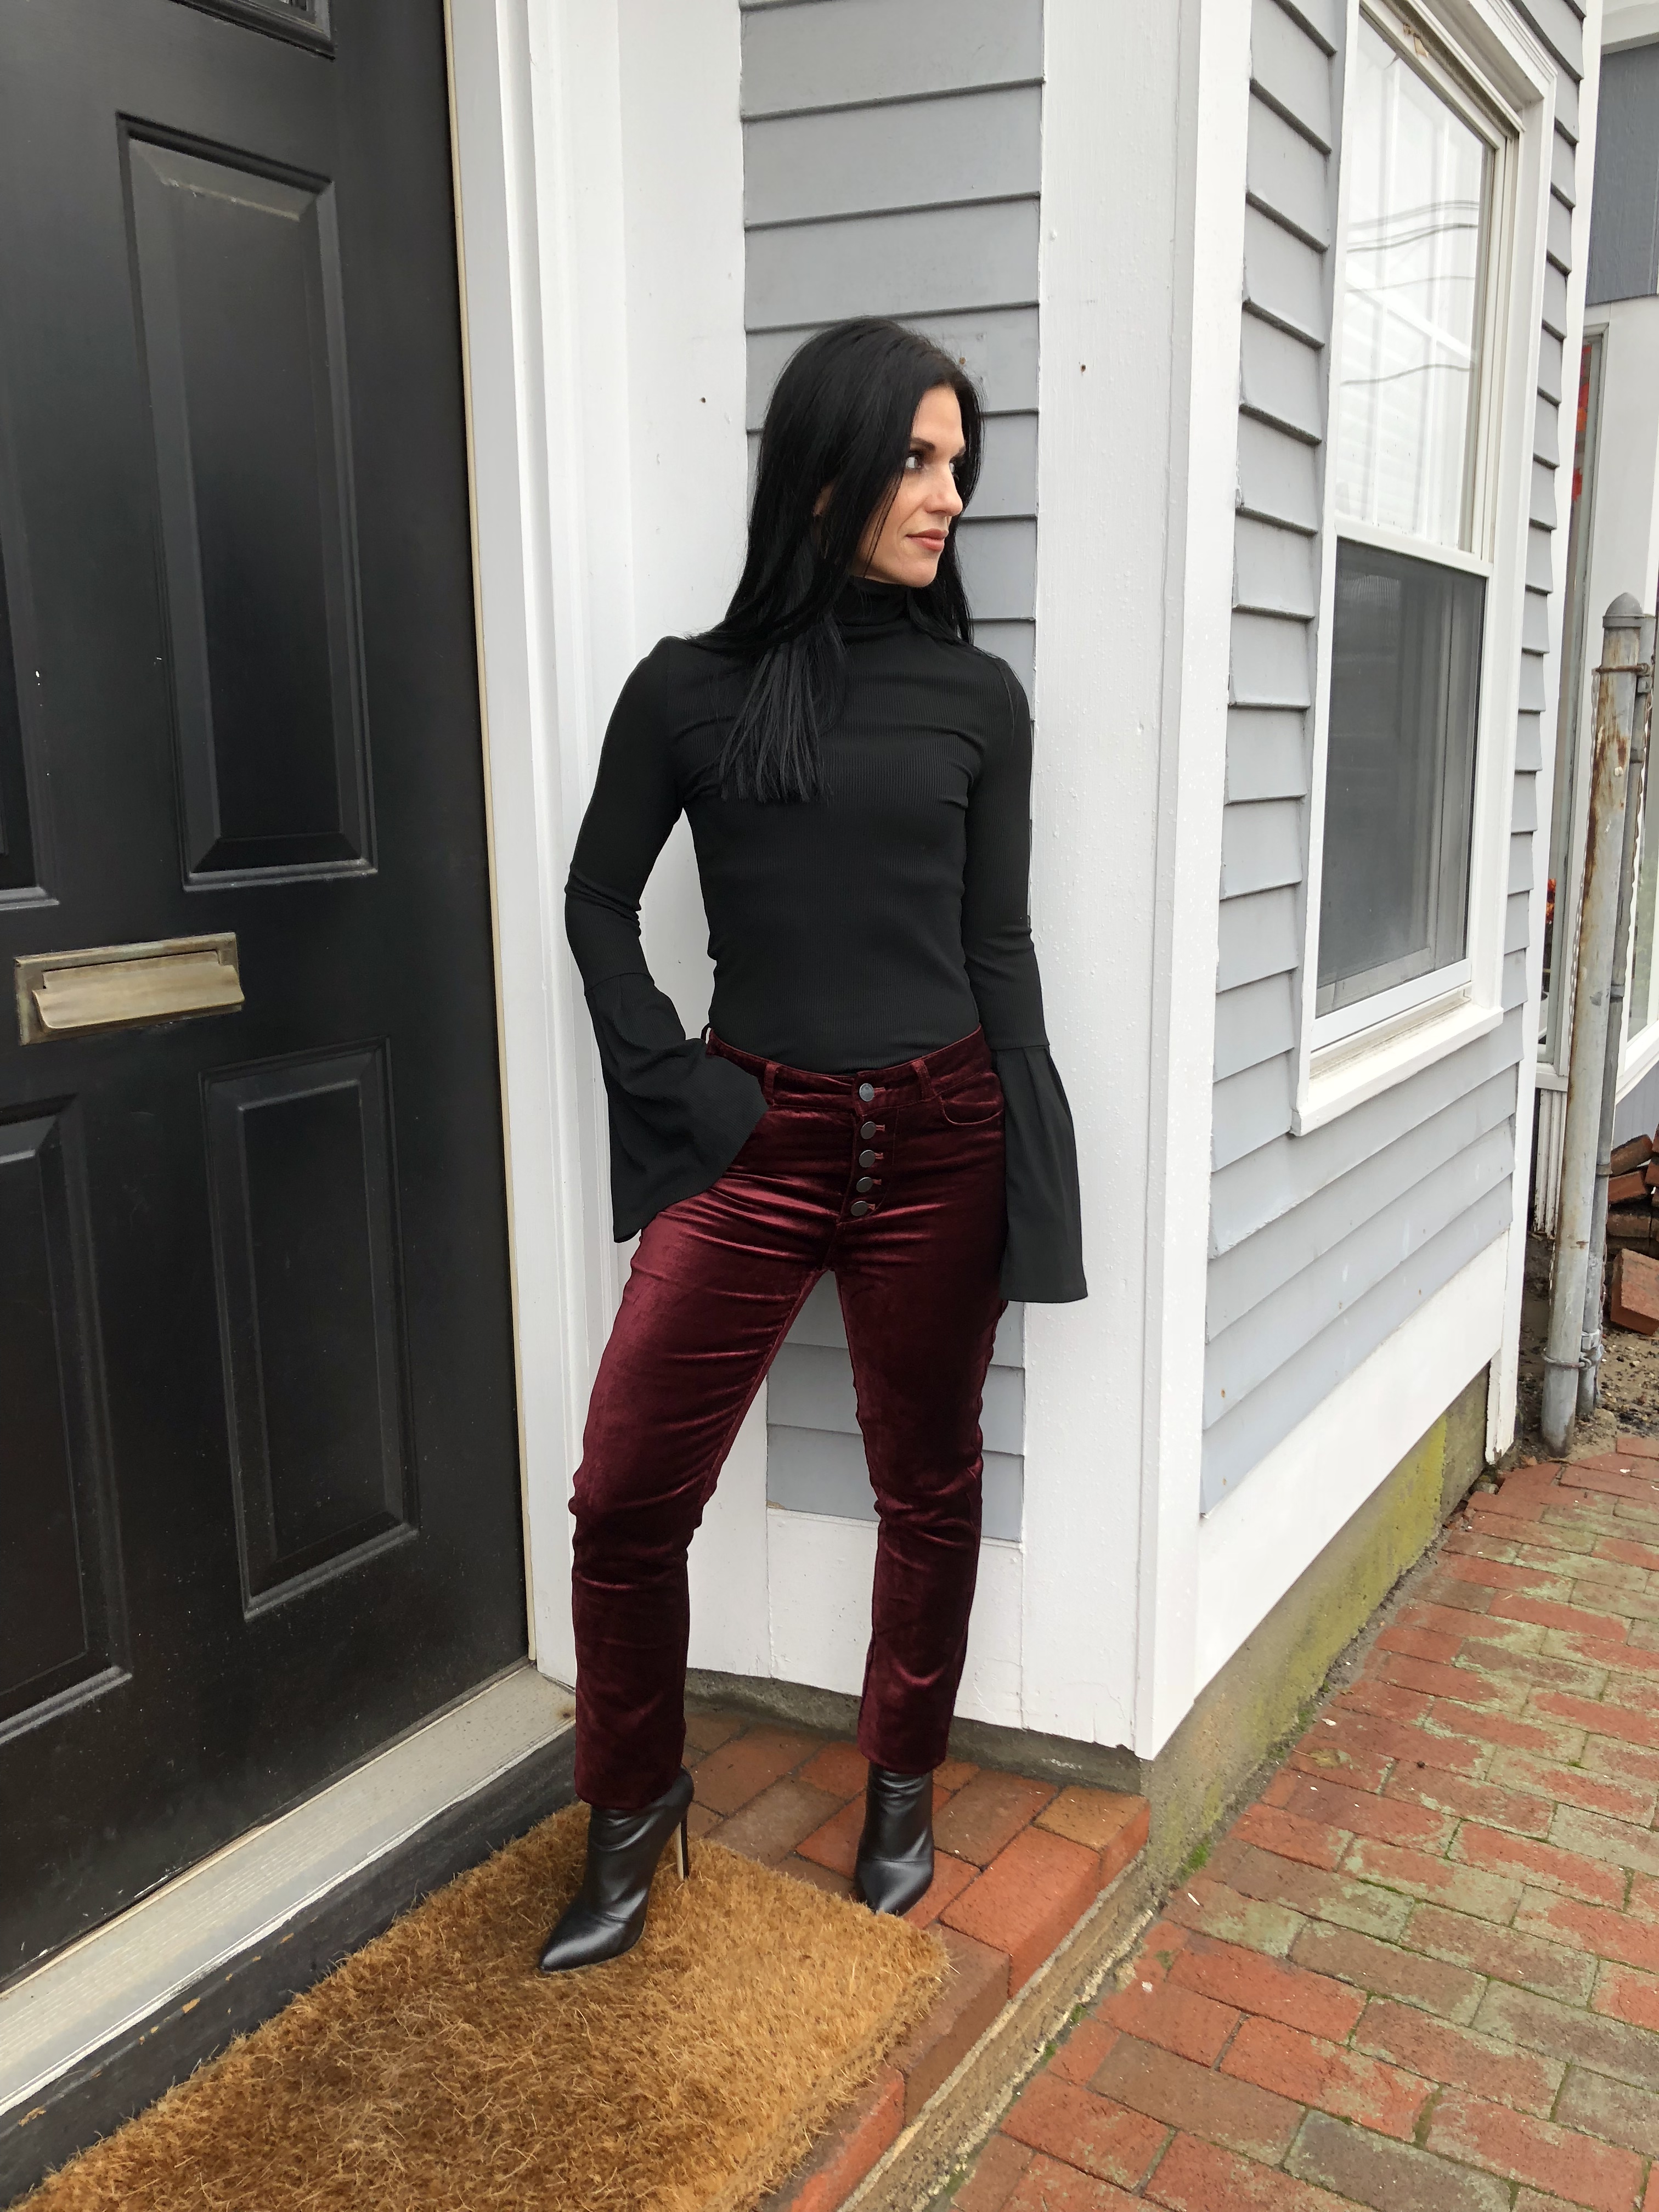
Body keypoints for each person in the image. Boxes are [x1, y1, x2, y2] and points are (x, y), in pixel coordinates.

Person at [538, 317, 1086, 1974]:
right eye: (918, 459)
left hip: (942, 1137)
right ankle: (632, 1807)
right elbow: (598, 901)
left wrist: (1032, 1170)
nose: (950, 495)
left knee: (928, 1484)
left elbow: (998, 949)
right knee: (626, 1494)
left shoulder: (980, 701)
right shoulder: (687, 690)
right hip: (754, 1143)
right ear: (826, 469)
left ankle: (900, 1785)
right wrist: (676, 1085)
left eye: (959, 465)